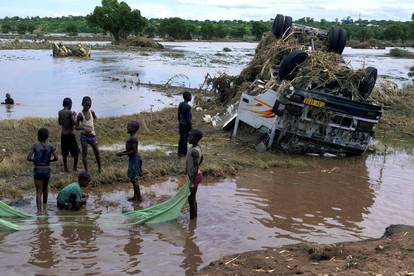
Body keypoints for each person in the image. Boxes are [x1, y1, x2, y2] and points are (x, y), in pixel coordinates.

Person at [27, 128, 58, 213]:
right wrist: (49, 161)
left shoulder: (35, 146)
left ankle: (39, 211)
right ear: (47, 137)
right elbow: (56, 158)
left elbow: (28, 158)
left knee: (38, 191)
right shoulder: (50, 147)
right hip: (47, 169)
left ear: (38, 136)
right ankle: (45, 208)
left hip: (38, 169)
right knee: (45, 190)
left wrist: (36, 161)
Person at [117, 121, 142, 201]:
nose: (127, 128)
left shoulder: (133, 138)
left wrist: (123, 154)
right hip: (133, 159)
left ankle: (139, 198)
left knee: (134, 179)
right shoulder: (131, 137)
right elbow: (130, 150)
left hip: (134, 160)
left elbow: (133, 151)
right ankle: (135, 197)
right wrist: (122, 152)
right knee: (133, 179)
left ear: (134, 129)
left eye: (129, 126)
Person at [76, 96, 101, 173]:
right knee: (85, 153)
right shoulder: (80, 115)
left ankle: (100, 169)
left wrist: (91, 127)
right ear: (82, 104)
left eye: (89, 105)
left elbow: (95, 119)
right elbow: (76, 127)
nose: (88, 106)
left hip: (92, 136)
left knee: (97, 152)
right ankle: (86, 171)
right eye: (86, 105)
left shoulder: (92, 112)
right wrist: (83, 128)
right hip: (84, 136)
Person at [186, 129, 204, 220]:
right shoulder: (197, 147)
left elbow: (196, 166)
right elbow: (202, 158)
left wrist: (192, 181)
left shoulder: (194, 151)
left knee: (191, 199)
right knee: (193, 198)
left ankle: (192, 220)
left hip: (194, 177)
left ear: (196, 138)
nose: (188, 138)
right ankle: (194, 216)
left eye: (190, 136)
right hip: (194, 175)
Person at [58, 97, 79, 173]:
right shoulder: (70, 112)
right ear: (70, 104)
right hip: (70, 134)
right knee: (76, 152)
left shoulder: (60, 112)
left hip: (63, 134)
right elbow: (73, 123)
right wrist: (75, 115)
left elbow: (60, 123)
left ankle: (66, 169)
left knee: (64, 153)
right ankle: (75, 168)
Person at [178, 91, 192, 157]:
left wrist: (179, 121)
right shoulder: (188, 107)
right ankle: (184, 153)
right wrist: (190, 127)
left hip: (181, 123)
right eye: (190, 96)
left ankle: (179, 152)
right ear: (188, 97)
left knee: (181, 138)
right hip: (185, 124)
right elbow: (188, 119)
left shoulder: (181, 104)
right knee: (185, 139)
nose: (191, 97)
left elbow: (178, 114)